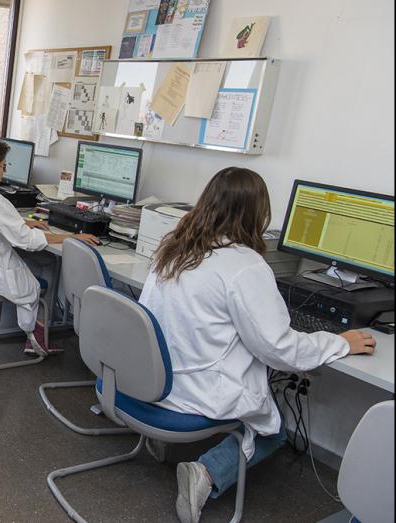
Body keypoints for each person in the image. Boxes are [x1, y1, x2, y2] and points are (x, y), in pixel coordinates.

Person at [137, 167, 376, 523]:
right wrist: (339, 342)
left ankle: (160, 436)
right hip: (199, 389)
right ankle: (205, 474)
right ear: (257, 214)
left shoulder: (175, 245)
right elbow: (279, 349)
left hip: (153, 379)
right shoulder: (245, 266)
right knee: (274, 430)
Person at [0, 137, 99, 355]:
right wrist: (71, 237)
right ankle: (35, 338)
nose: (5, 169)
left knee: (43, 261)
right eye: (3, 165)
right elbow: (26, 240)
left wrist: (23, 222)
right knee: (39, 276)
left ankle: (36, 330)